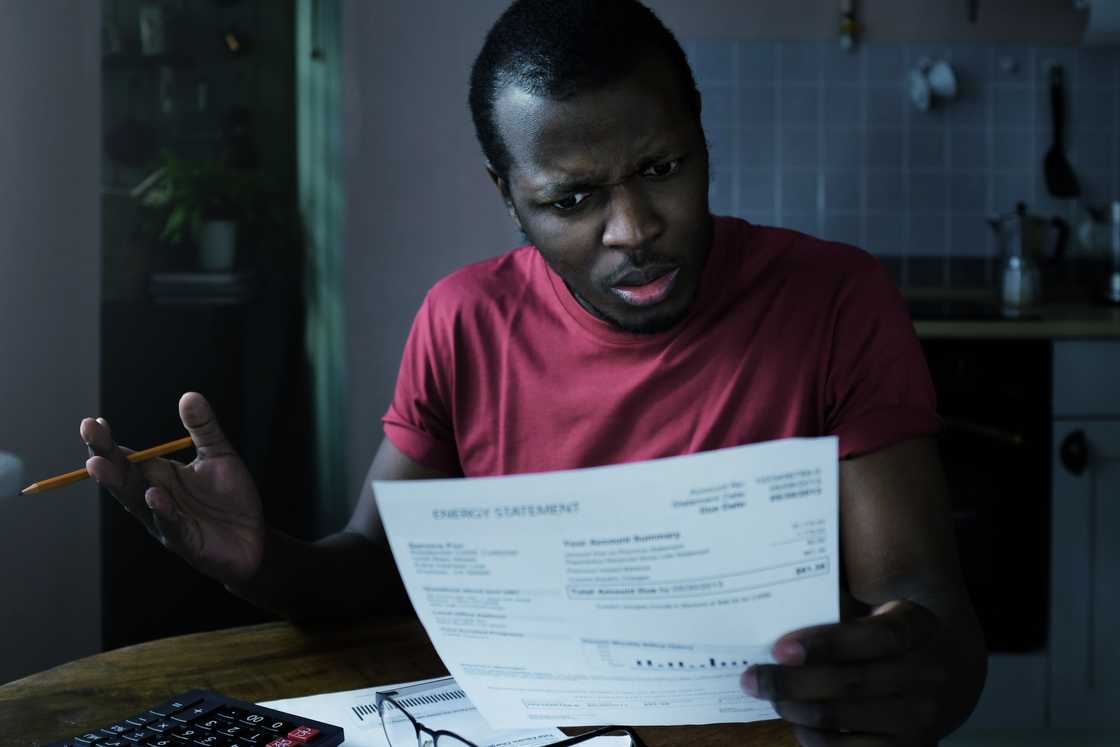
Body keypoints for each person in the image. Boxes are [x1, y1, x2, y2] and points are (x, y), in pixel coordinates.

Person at [81, 0, 986, 743]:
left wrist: (914, 669)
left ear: (700, 136)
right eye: (572, 198)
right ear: (506, 195)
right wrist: (263, 562)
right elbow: (371, 569)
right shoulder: (463, 320)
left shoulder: (835, 298)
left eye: (661, 168)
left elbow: (921, 603)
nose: (633, 229)